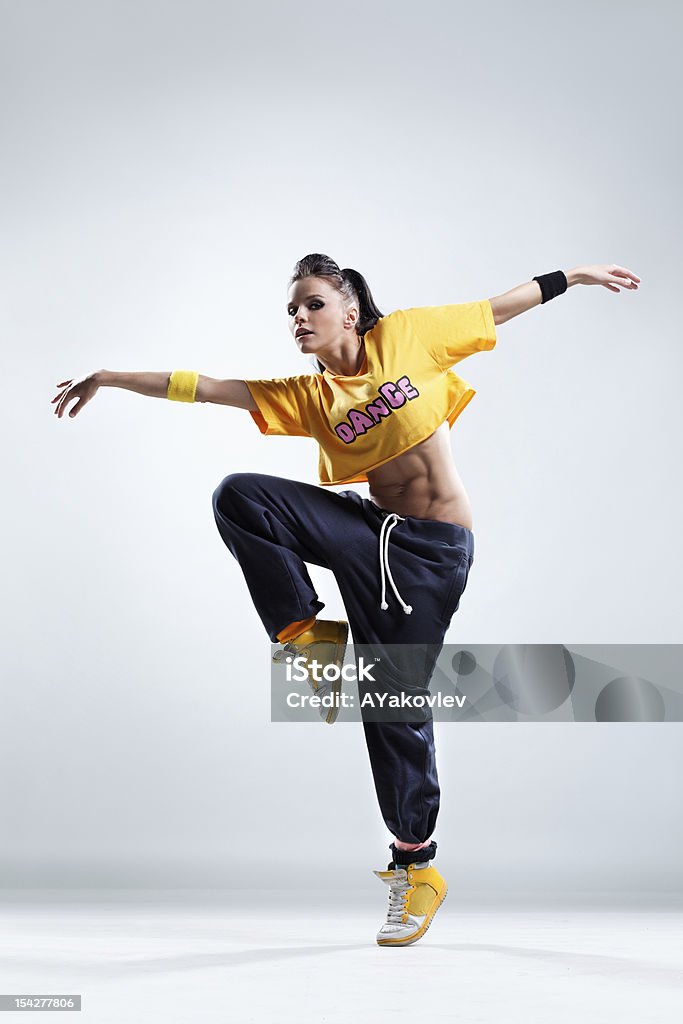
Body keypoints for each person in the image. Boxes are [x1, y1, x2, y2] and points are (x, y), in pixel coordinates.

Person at [51, 253, 640, 946]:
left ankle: (415, 866)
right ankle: (306, 633)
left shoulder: (408, 339)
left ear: (349, 310)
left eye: (311, 305)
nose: (299, 319)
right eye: (292, 311)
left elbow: (498, 308)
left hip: (427, 554)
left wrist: (570, 277)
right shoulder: (307, 397)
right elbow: (208, 387)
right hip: (366, 531)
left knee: (392, 703)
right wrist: (112, 377)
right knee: (240, 495)